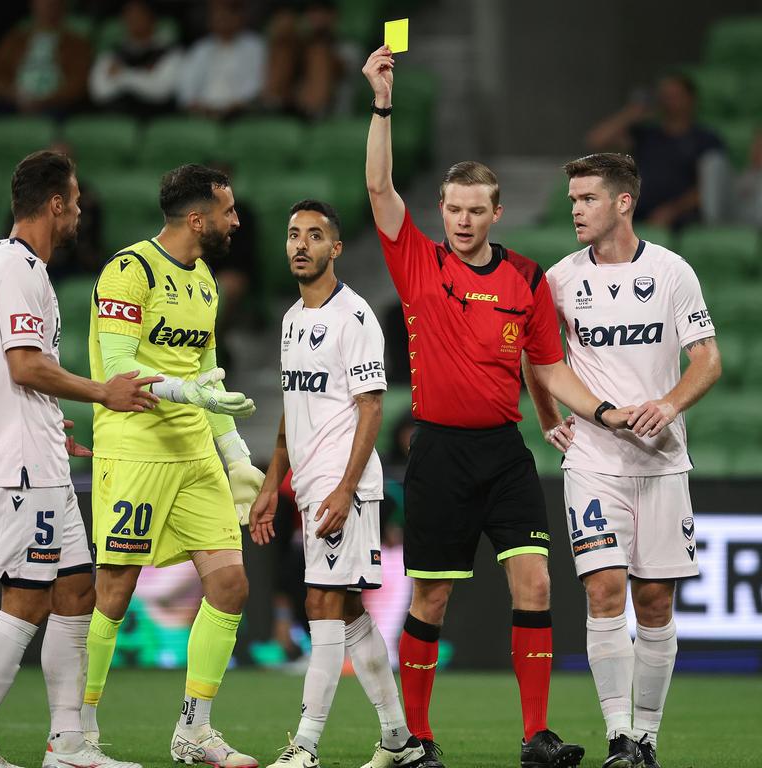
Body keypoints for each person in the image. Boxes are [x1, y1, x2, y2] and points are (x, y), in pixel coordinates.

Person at [363, 46, 635, 768]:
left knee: (538, 582)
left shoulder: (525, 277)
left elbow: (547, 364)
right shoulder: (418, 261)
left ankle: (536, 737)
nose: (461, 220)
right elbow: (378, 186)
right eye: (452, 208)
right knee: (430, 604)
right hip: (440, 452)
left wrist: (594, 411)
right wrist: (382, 103)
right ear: (442, 211)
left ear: (495, 212)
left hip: (503, 453)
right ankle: (416, 741)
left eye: (474, 210)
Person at [0, 151, 159, 768]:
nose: (82, 210)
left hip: (32, 456)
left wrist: (40, 414)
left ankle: (68, 746)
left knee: (74, 592)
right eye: (77, 199)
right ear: (55, 204)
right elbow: (23, 364)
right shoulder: (20, 270)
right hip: (22, 468)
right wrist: (101, 392)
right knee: (27, 602)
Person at [523, 153, 722, 768]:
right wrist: (550, 420)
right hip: (593, 460)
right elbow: (538, 357)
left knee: (655, 601)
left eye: (587, 198)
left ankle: (648, 740)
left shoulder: (671, 272)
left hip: (661, 460)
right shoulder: (557, 280)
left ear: (622, 202)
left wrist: (667, 405)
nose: (575, 209)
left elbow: (708, 361)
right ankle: (617, 738)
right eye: (573, 198)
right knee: (605, 589)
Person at [82, 163, 263, 768]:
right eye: (228, 211)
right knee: (114, 590)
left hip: (191, 450)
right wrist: (190, 393)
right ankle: (78, 732)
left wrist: (236, 456)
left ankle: (194, 730)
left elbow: (208, 379)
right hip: (135, 447)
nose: (236, 221)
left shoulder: (207, 279)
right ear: (197, 218)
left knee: (231, 583)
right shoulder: (128, 271)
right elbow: (116, 367)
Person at [249, 199, 426, 768]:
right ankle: (398, 738)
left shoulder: (355, 318)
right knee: (346, 610)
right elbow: (290, 408)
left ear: (336, 247)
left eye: (314, 235)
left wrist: (347, 487)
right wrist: (270, 484)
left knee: (320, 602)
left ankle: (305, 746)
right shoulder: (292, 319)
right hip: (308, 485)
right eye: (293, 234)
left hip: (342, 484)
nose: (301, 245)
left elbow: (371, 409)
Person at [585, 74, 724, 229]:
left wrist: (673, 210)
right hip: (637, 212)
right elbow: (596, 141)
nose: (669, 101)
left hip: (681, 217)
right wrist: (632, 113)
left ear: (691, 99)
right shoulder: (647, 135)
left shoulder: (705, 138)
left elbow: (710, 187)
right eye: (665, 96)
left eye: (675, 96)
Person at [0, 0, 92, 121]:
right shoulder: (14, 41)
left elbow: (77, 84)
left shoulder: (77, 45)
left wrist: (45, 101)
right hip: (15, 101)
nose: (48, 8)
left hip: (54, 103)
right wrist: (13, 95)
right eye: (43, 4)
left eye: (53, 4)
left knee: (63, 114)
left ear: (63, 7)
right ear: (33, 6)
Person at [89, 0, 183, 120]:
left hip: (154, 119)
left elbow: (160, 91)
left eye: (138, 14)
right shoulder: (111, 53)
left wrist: (121, 75)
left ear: (152, 17)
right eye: (128, 14)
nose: (133, 19)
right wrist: (144, 76)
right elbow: (99, 92)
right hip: (117, 118)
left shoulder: (171, 52)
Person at [177, 0, 265, 118]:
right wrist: (195, 104)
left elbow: (256, 84)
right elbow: (187, 85)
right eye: (217, 14)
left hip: (239, 113)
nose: (221, 19)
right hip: (204, 112)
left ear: (239, 16)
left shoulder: (254, 46)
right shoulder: (201, 48)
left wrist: (235, 106)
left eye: (227, 14)